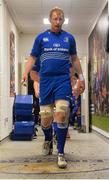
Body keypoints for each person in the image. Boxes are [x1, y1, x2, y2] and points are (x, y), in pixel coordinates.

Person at [22, 7, 85, 168]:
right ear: (50, 19)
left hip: (62, 81)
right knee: (45, 118)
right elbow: (32, 58)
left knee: (62, 113)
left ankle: (61, 153)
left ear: (63, 20)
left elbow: (75, 59)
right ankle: (48, 139)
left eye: (61, 19)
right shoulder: (41, 38)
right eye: (55, 19)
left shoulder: (69, 38)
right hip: (46, 82)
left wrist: (82, 78)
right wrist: (25, 73)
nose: (58, 22)